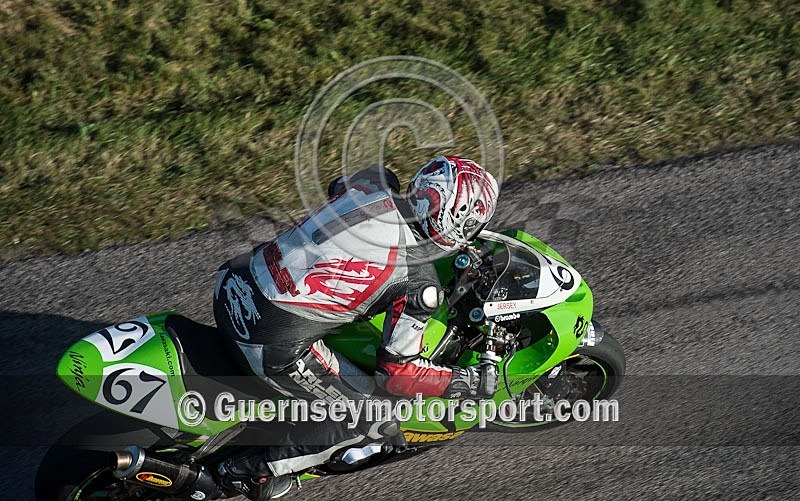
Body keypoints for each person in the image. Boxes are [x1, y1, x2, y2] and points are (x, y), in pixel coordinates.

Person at [212, 155, 500, 500]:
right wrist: (462, 380)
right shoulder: (419, 285)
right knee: (376, 418)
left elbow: (340, 185)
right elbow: (397, 375)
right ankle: (250, 470)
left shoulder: (372, 182)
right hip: (262, 336)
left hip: (233, 282)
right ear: (458, 225)